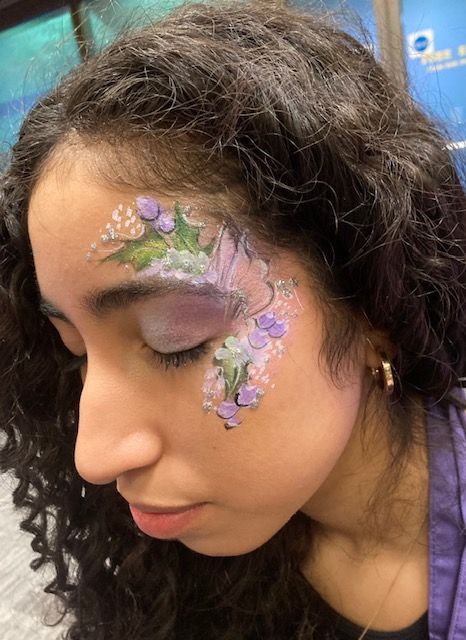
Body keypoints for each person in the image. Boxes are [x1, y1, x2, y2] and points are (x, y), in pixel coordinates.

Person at [0, 2, 465, 639]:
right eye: (75, 350)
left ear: (373, 309)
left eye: (175, 342)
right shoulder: (166, 571)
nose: (95, 457)